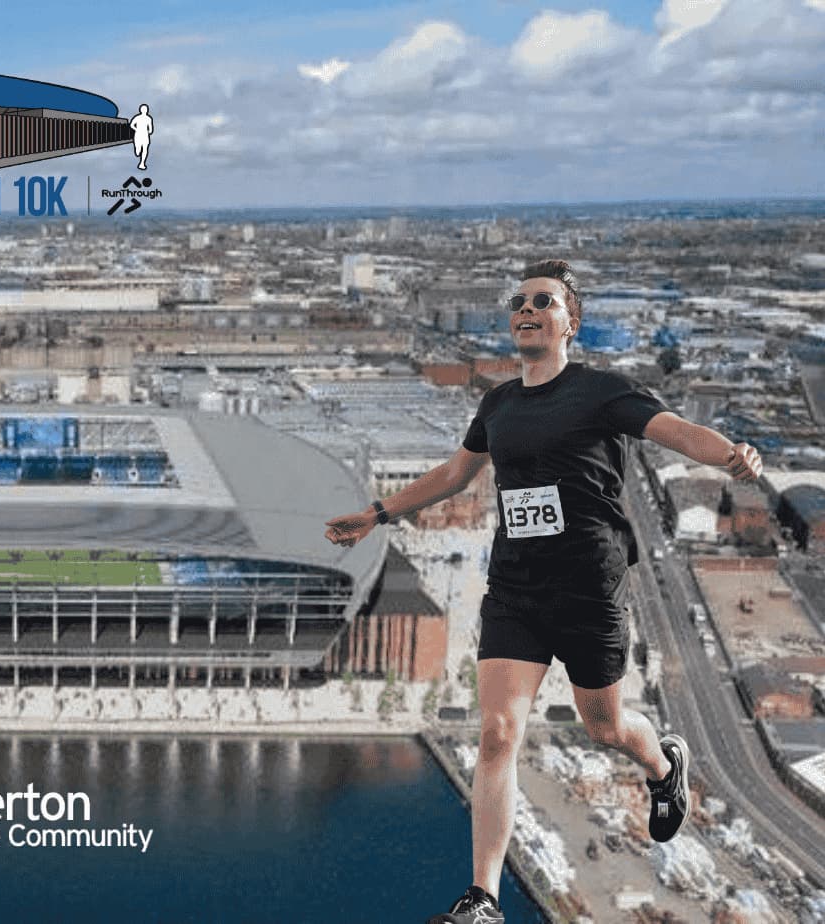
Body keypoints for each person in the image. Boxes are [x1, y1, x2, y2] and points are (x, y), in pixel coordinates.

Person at [322, 260, 762, 924]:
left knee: (605, 725)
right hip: (517, 590)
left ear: (570, 323)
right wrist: (378, 513)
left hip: (589, 592)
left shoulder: (603, 391)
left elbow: (673, 431)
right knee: (497, 733)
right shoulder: (497, 403)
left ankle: (664, 766)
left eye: (543, 302)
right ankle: (483, 900)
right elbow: (452, 474)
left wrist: (730, 454)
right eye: (519, 303)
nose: (526, 310)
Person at [128, 103, 154, 171]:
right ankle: (137, 150)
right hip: (138, 135)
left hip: (145, 136)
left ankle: (142, 163)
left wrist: (149, 132)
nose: (145, 110)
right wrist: (137, 129)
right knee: (138, 151)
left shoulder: (149, 118)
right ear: (141, 110)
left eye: (146, 109)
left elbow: (151, 129)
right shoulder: (137, 117)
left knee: (145, 149)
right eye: (144, 109)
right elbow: (131, 125)